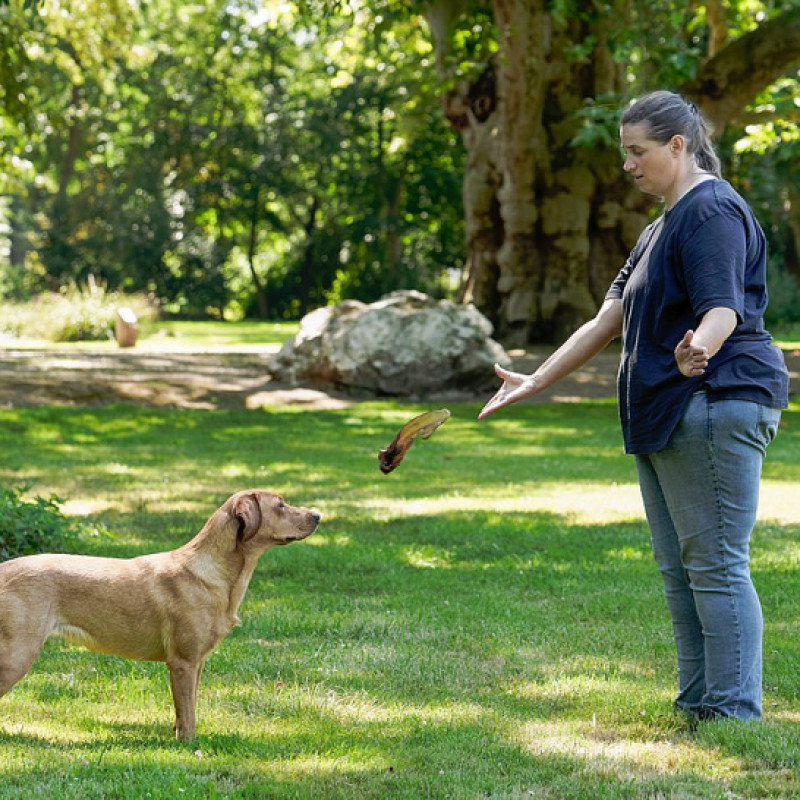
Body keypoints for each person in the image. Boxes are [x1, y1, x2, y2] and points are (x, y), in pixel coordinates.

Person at [478, 90, 790, 722]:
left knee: (717, 565)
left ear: (678, 146)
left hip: (711, 399)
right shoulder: (658, 228)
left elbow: (723, 307)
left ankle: (733, 710)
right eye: (624, 152)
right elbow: (606, 321)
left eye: (637, 151)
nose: (627, 164)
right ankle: (699, 704)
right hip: (666, 412)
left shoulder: (711, 212)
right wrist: (536, 380)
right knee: (681, 570)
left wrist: (695, 352)